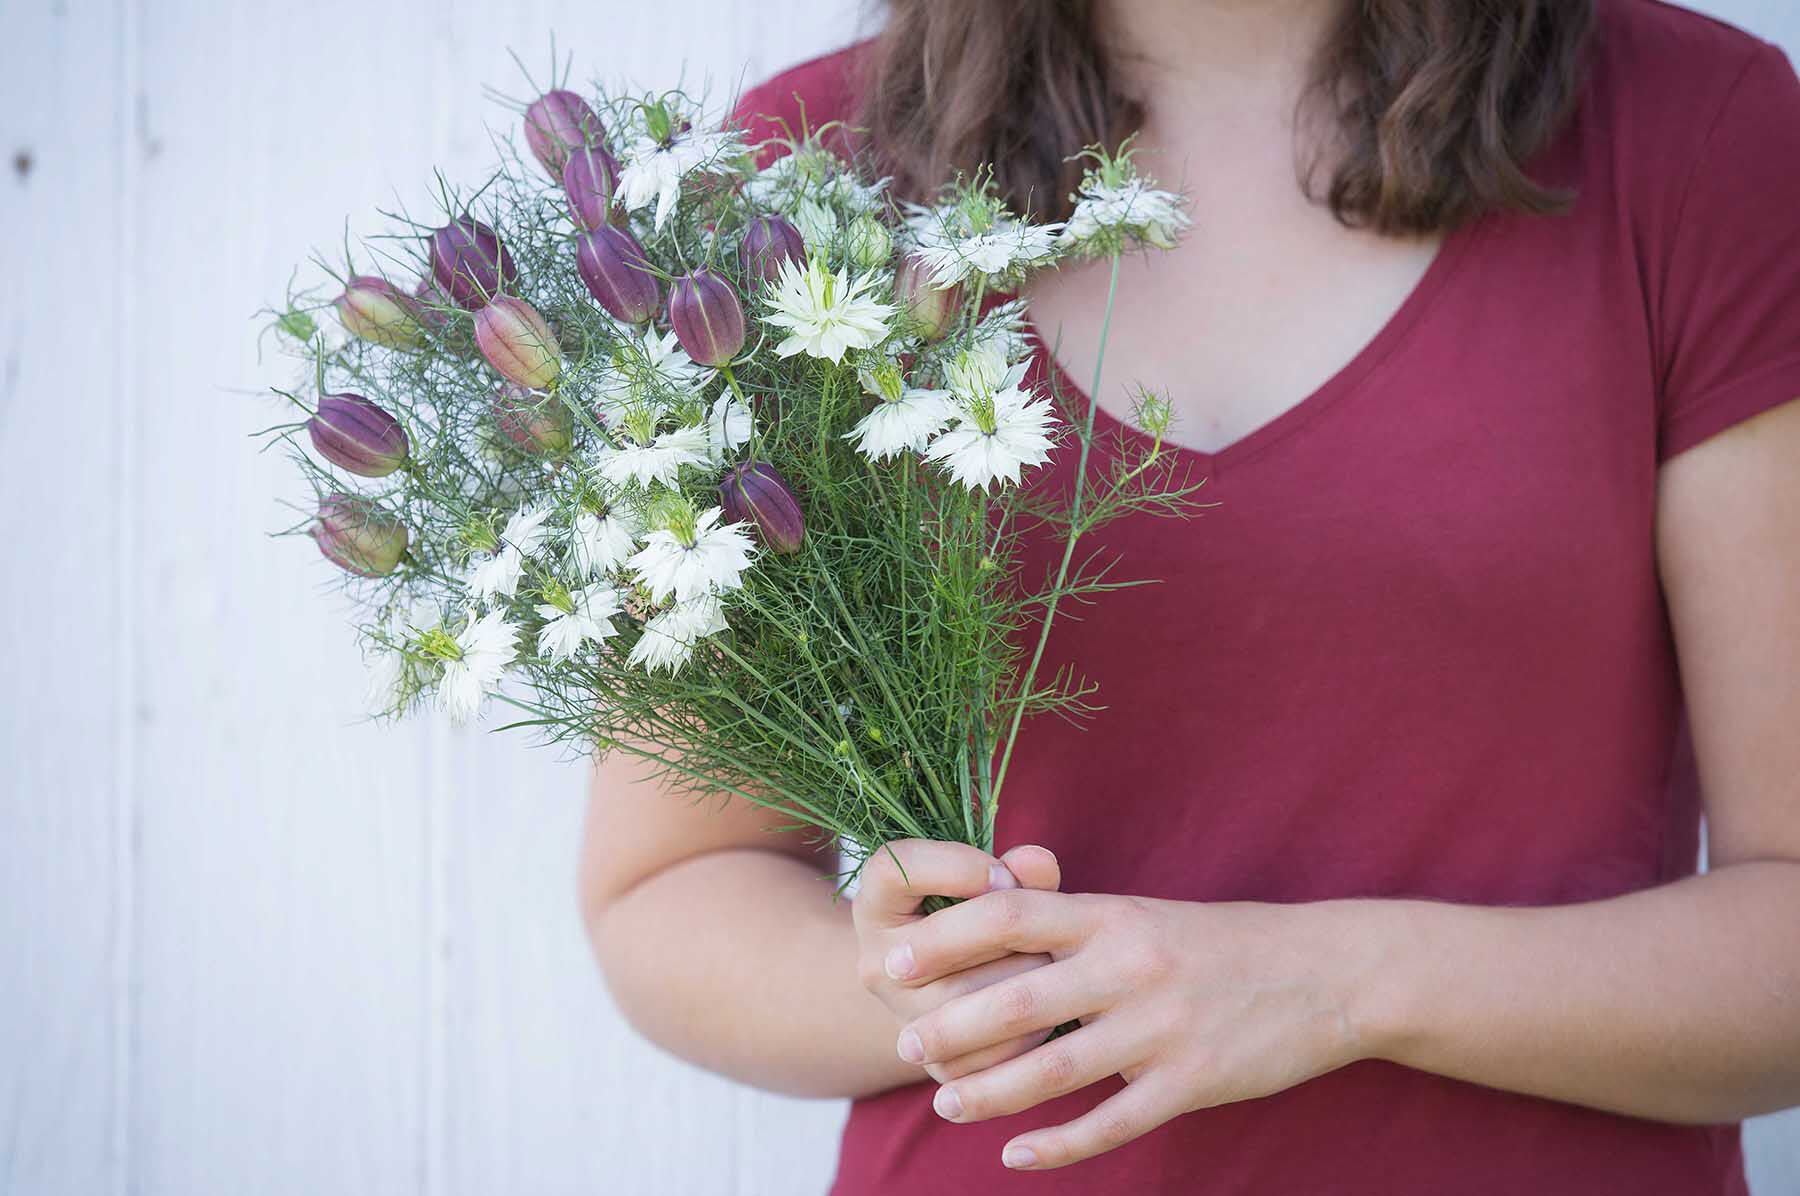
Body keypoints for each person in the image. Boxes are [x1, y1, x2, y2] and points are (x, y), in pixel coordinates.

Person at [578, 0, 1800, 1191]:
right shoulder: (802, 189)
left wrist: (1338, 981)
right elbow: (671, 887)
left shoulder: (1697, 132)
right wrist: (927, 984)